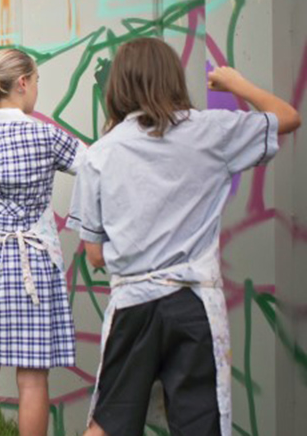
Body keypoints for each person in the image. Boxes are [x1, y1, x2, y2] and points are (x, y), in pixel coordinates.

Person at [67, 38, 301, 436]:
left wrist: (133, 250)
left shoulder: (99, 155)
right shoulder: (211, 131)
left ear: (118, 87)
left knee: (108, 422)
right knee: (199, 424)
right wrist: (236, 83)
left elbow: (92, 254)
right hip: (193, 305)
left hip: (132, 305)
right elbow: (287, 116)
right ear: (173, 78)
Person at [0, 48, 86, 436]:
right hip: (34, 264)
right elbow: (94, 168)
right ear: (22, 83)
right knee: (32, 378)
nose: (36, 88)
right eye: (36, 80)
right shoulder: (46, 135)